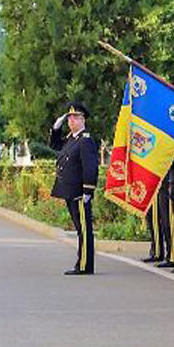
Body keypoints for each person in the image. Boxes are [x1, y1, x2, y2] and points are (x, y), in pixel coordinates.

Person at [49, 102, 98, 275]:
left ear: (83, 120)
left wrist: (88, 191)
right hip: (70, 191)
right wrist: (56, 127)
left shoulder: (85, 140)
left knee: (84, 230)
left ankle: (85, 265)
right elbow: (55, 145)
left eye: (75, 117)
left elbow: (90, 167)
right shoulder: (72, 138)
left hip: (79, 192)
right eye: (69, 118)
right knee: (80, 229)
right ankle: (82, 263)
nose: (71, 121)